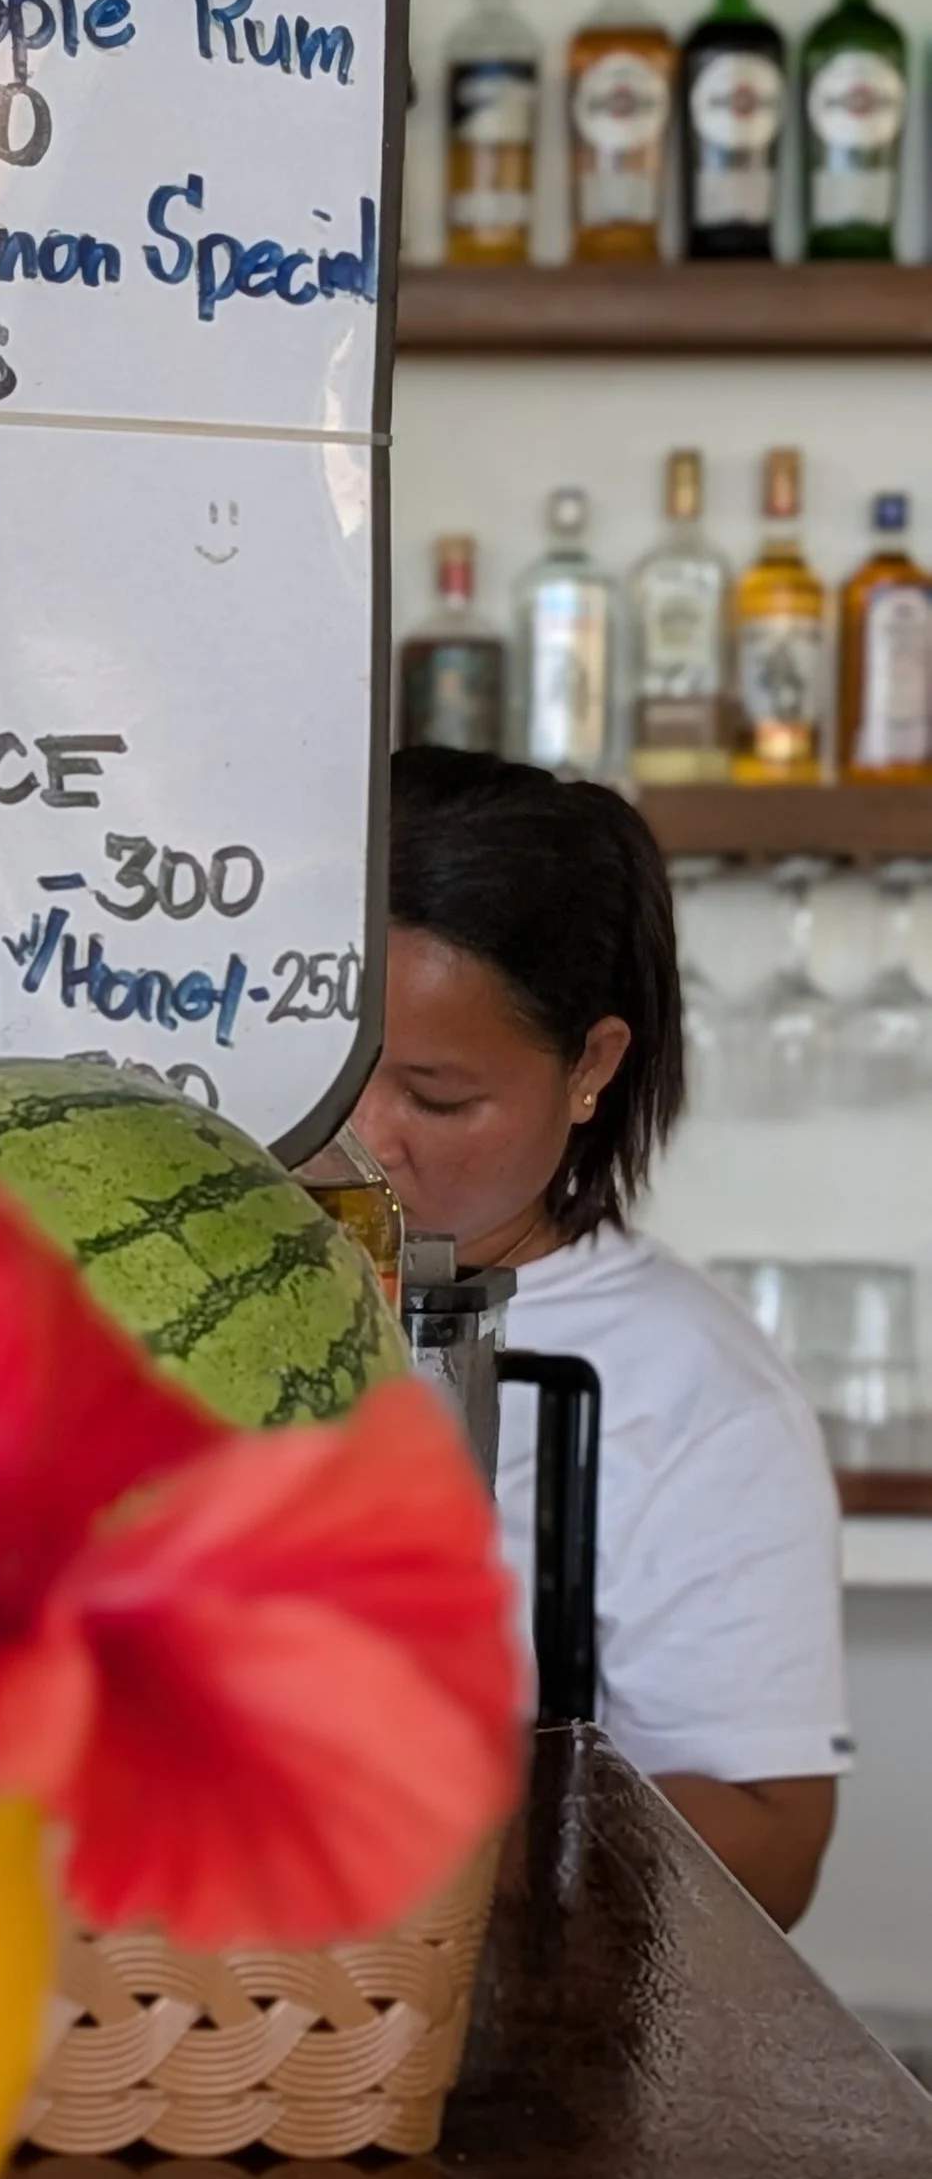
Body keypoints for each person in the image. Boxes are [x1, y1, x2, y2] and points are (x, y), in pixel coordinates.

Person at [351, 745, 847, 1928]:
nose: (364, 1139)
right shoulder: (186, 1290)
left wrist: (433, 1821)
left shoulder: (696, 1394)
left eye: (435, 1096)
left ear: (591, 1066)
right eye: (333, 1068)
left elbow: (774, 1843)